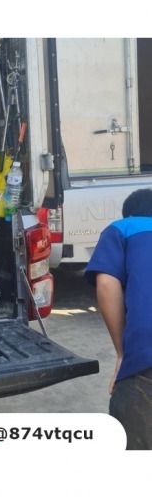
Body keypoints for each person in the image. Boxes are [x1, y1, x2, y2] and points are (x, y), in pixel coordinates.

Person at [84, 188, 152, 449]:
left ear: (130, 214)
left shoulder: (121, 229)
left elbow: (106, 285)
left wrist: (122, 353)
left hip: (144, 363)